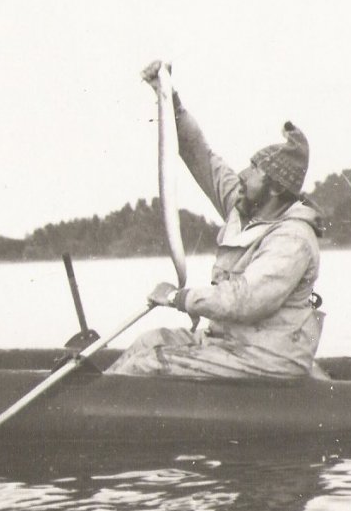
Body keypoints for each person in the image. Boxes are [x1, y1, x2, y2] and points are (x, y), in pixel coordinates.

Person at [105, 61, 325, 379]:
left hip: (266, 357)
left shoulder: (293, 239)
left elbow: (245, 300)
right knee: (148, 342)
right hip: (229, 344)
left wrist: (177, 297)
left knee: (147, 364)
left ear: (276, 188)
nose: (243, 174)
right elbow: (201, 156)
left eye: (255, 170)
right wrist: (169, 100)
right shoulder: (245, 207)